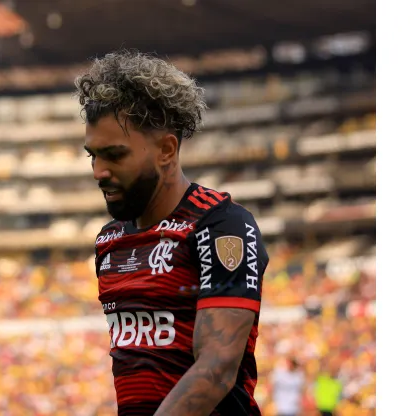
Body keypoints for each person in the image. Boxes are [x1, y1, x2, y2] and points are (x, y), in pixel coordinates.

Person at [76, 49, 269, 416]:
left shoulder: (220, 226)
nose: (98, 171)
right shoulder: (108, 242)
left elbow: (217, 368)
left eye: (114, 155)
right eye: (93, 156)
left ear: (167, 149)